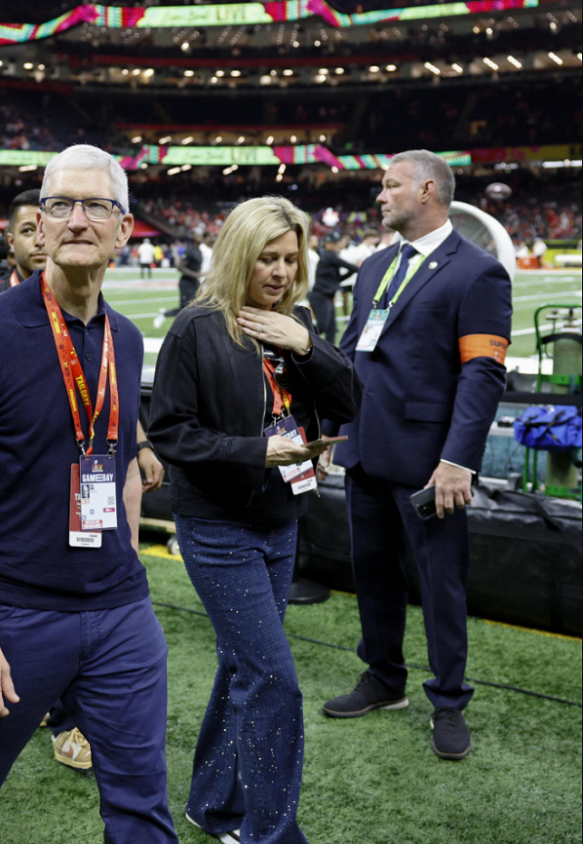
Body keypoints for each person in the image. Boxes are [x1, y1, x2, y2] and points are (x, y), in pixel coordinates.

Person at [0, 144, 178, 843]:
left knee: (142, 805)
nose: (76, 220)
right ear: (39, 224)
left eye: (96, 205)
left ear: (124, 229)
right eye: (59, 204)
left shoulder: (124, 337)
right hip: (14, 613)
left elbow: (118, 460)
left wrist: (130, 566)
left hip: (120, 611)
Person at [149, 196, 361, 844]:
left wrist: (307, 344)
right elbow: (169, 433)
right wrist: (257, 452)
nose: (279, 270)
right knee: (273, 681)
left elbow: (349, 398)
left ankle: (211, 805)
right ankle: (273, 834)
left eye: (290, 259)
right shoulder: (197, 328)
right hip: (219, 528)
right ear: (240, 252)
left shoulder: (292, 324)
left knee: (243, 668)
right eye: (267, 257)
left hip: (280, 520)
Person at [320, 150, 512, 760]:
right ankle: (383, 678)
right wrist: (330, 428)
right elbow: (352, 356)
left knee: (440, 584)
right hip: (366, 449)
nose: (379, 195)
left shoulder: (477, 272)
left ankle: (449, 700)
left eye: (390, 185)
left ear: (427, 189)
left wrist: (459, 460)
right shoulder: (376, 267)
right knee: (372, 575)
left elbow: (483, 374)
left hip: (431, 465)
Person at [309, 231, 359, 344]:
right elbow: (345, 265)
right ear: (327, 244)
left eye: (337, 243)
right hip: (320, 296)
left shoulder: (329, 256)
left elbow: (337, 278)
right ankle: (302, 341)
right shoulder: (329, 255)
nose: (336, 245)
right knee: (323, 326)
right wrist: (359, 268)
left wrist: (354, 270)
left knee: (331, 329)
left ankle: (330, 354)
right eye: (333, 243)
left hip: (326, 296)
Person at [153, 234, 203, 327]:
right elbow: (180, 266)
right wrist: (195, 274)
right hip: (187, 283)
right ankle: (165, 315)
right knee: (185, 308)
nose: (201, 237)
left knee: (198, 306)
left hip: (195, 282)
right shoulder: (189, 250)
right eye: (198, 235)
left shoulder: (198, 250)